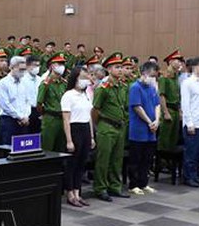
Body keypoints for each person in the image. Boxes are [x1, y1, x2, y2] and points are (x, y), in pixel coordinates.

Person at [92, 52, 130, 202]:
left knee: (117, 159)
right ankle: (100, 188)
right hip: (106, 127)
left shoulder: (123, 86)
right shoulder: (103, 88)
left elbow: (124, 106)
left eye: (121, 67)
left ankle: (115, 186)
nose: (120, 70)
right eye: (117, 67)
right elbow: (95, 110)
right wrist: (98, 126)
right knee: (103, 160)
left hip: (120, 127)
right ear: (108, 69)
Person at [61, 66, 95, 207]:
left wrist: (91, 136)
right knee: (72, 164)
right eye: (82, 78)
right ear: (75, 79)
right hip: (74, 129)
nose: (85, 80)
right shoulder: (68, 95)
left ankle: (77, 192)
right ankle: (70, 194)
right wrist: (69, 140)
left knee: (82, 163)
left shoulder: (85, 95)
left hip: (85, 128)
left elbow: (89, 117)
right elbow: (66, 119)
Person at [128, 62, 161, 195]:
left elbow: (157, 105)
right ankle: (133, 184)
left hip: (151, 130)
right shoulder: (135, 87)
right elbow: (137, 107)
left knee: (147, 159)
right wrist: (149, 122)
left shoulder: (152, 88)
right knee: (136, 159)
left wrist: (157, 120)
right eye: (152, 76)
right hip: (138, 129)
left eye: (155, 76)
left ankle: (144, 183)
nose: (153, 79)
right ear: (144, 73)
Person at [180, 57, 199, 188]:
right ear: (195, 67)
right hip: (193, 123)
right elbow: (185, 105)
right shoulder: (187, 83)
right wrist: (189, 123)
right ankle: (188, 177)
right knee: (191, 152)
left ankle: (195, 175)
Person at [0, 56, 32, 145]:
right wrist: (20, 117)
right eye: (21, 69)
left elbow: (28, 101)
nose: (23, 72)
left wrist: (26, 116)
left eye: (24, 70)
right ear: (12, 67)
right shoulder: (3, 83)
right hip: (9, 120)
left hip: (24, 121)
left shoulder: (25, 82)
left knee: (23, 149)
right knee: (8, 149)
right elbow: (5, 105)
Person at [157, 49, 184, 166]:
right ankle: (162, 163)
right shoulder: (164, 77)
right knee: (165, 139)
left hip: (176, 110)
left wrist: (180, 111)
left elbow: (178, 96)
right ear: (170, 62)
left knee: (174, 138)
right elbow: (162, 96)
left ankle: (170, 162)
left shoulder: (176, 77)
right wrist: (166, 112)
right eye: (177, 60)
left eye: (180, 61)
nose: (180, 63)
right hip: (168, 110)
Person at [37, 53, 67, 152]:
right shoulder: (46, 83)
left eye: (63, 64)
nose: (62, 67)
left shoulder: (64, 83)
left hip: (62, 118)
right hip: (50, 118)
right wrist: (45, 114)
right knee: (47, 147)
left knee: (61, 148)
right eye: (59, 64)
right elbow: (39, 103)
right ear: (52, 66)